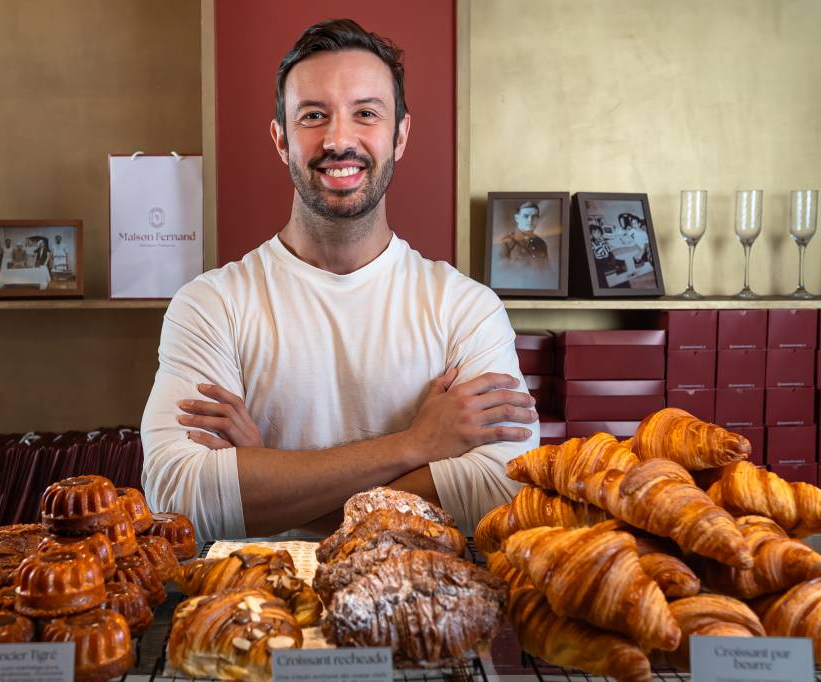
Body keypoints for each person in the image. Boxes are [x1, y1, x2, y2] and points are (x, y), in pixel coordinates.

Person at [140, 19, 539, 541]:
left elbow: (501, 488)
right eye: (313, 115)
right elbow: (179, 495)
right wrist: (414, 445)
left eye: (366, 114)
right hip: (255, 610)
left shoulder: (466, 308)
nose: (338, 139)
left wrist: (270, 480)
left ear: (400, 136)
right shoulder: (211, 305)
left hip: (422, 610)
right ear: (281, 139)